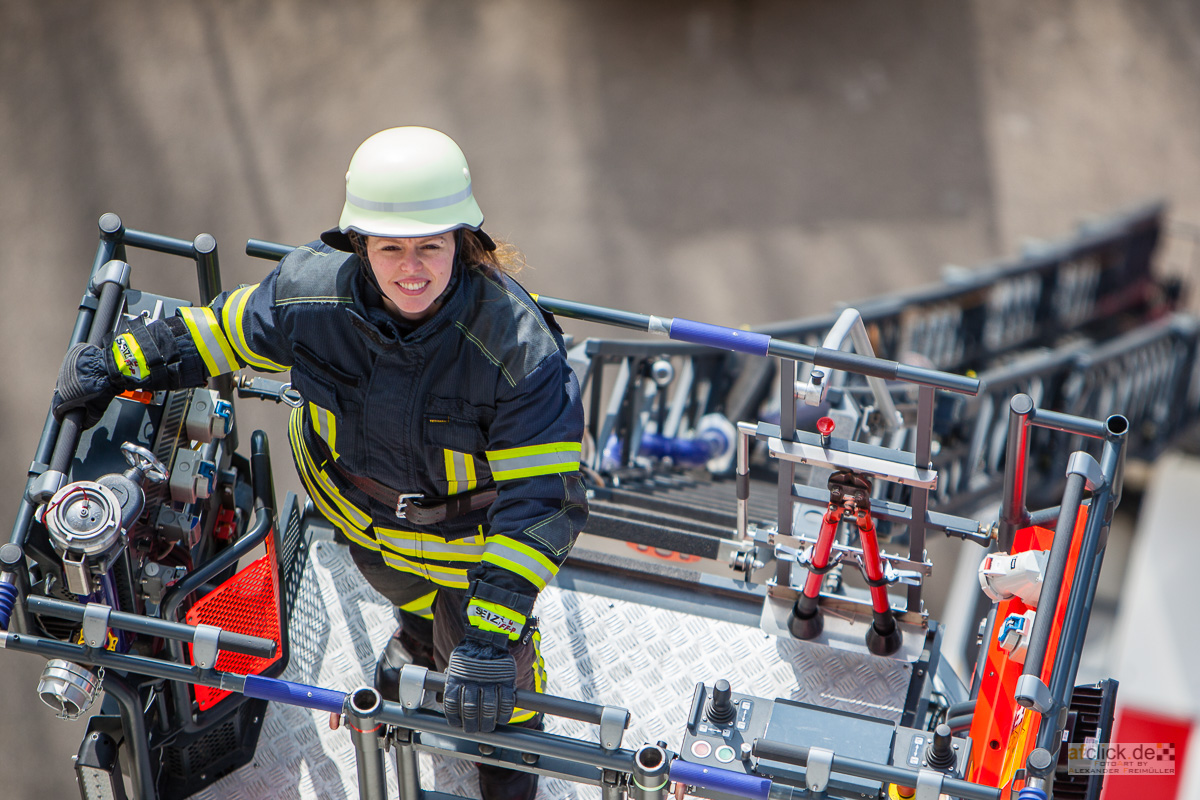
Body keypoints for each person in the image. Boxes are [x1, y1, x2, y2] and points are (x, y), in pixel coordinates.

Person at [54, 126, 589, 800]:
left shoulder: (515, 348)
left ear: (463, 241)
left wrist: (490, 633)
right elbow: (217, 333)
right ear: (359, 246)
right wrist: (116, 362)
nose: (412, 268)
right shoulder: (309, 297)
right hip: (360, 527)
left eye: (431, 246)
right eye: (390, 247)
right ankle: (422, 644)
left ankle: (506, 774)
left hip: (469, 549)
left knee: (495, 690)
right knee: (415, 608)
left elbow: (544, 499)